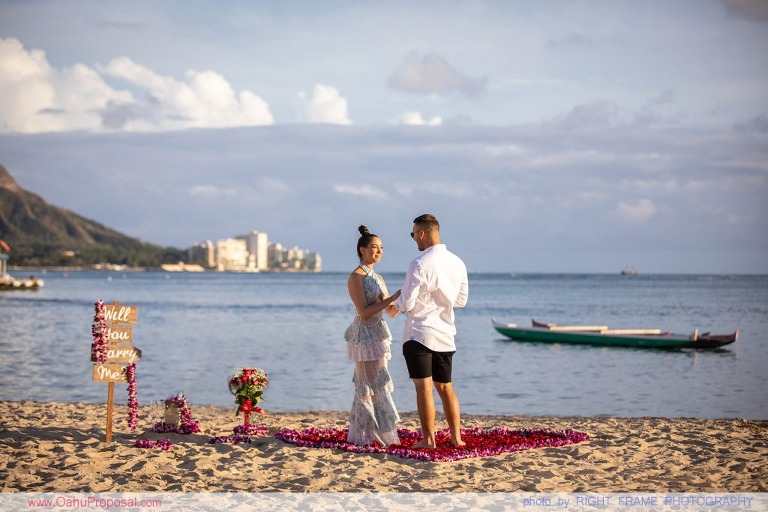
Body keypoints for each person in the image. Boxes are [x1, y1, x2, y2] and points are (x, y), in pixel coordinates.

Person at [392, 214, 469, 448]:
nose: (414, 238)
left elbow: (406, 302)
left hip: (420, 333)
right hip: (445, 334)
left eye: (413, 234)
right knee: (445, 387)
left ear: (422, 233)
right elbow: (461, 300)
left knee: (423, 388)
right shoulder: (458, 262)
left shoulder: (418, 263)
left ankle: (429, 439)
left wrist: (393, 306)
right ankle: (457, 437)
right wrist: (439, 299)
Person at [344, 225, 402, 446]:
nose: (379, 252)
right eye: (374, 248)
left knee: (380, 383)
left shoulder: (377, 277)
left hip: (378, 335)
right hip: (364, 335)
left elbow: (392, 311)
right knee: (368, 386)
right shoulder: (356, 277)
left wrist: (409, 296)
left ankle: (378, 433)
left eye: (382, 248)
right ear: (362, 250)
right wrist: (390, 298)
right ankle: (366, 435)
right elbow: (364, 311)